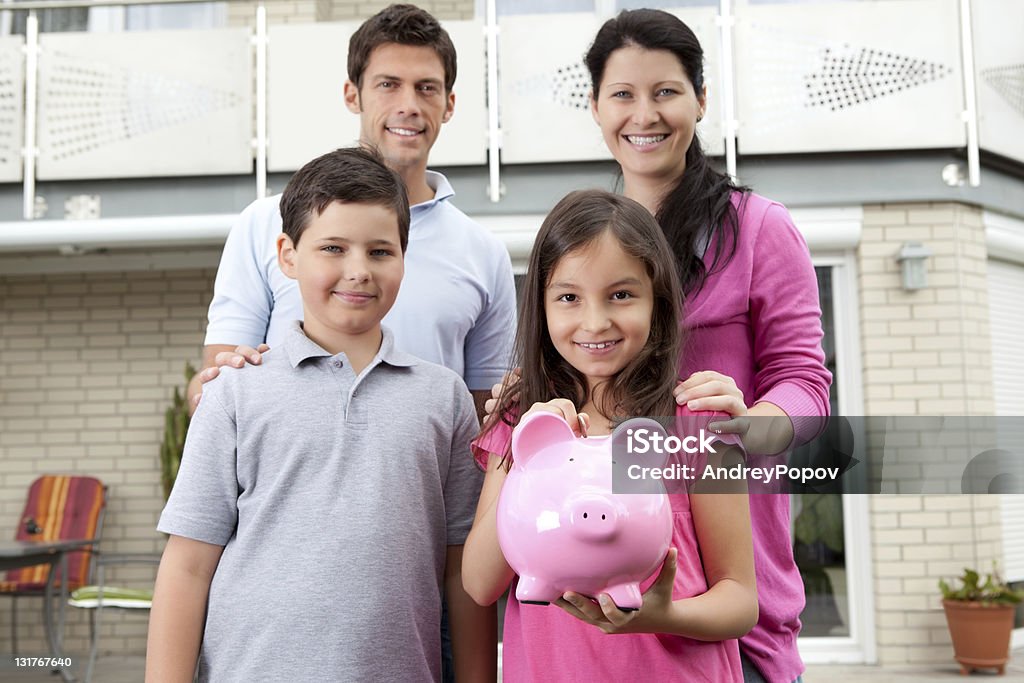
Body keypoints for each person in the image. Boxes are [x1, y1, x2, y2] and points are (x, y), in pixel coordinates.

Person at [146, 147, 493, 682]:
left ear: (405, 255)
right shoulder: (236, 393)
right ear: (287, 255)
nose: (357, 271)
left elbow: (461, 573)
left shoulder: (443, 399)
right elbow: (187, 567)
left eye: (381, 252)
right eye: (333, 247)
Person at [584, 10, 832, 683]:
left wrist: (751, 422)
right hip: (610, 598)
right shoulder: (590, 244)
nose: (645, 114)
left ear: (701, 99)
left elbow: (806, 385)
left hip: (730, 597)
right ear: (596, 107)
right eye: (623, 94)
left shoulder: (758, 229)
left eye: (666, 91)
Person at [462, 189, 758, 682]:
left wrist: (663, 617)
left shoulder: (698, 424)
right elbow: (479, 582)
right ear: (542, 305)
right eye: (569, 298)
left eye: (621, 295)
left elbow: (740, 599)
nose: (595, 322)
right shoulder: (520, 421)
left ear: (657, 302)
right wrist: (530, 454)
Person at [189, 3, 516, 419]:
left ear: (449, 104)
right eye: (388, 84)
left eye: (427, 88)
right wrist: (208, 392)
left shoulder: (484, 253)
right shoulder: (264, 225)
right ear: (352, 94)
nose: (409, 105)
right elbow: (218, 380)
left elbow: (484, 417)